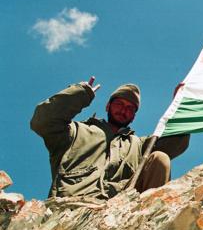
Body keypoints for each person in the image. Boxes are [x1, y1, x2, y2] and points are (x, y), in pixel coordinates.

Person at [31, 77, 190, 199]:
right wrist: (80, 93)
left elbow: (176, 143)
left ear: (133, 116)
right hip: (76, 202)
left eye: (130, 108)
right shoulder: (75, 132)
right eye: (119, 104)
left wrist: (182, 106)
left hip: (121, 206)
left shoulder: (139, 145)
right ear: (108, 106)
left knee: (160, 158)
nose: (123, 110)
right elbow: (43, 121)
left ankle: (148, 226)